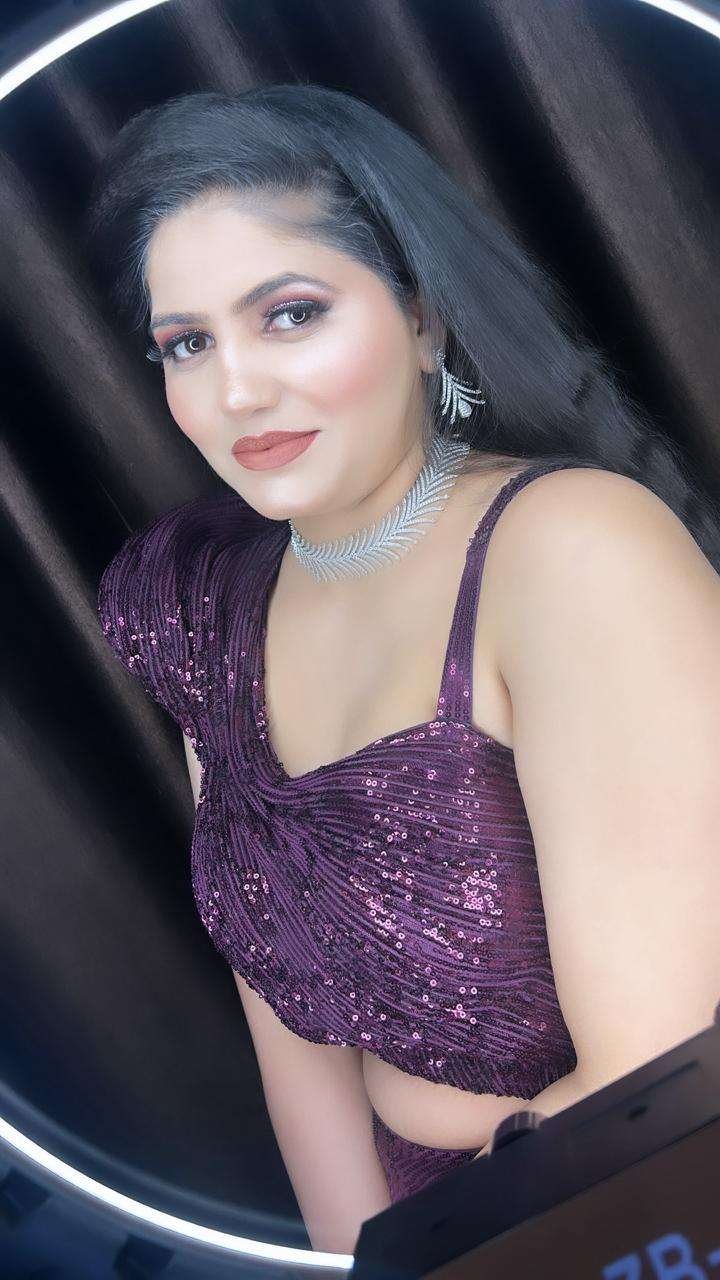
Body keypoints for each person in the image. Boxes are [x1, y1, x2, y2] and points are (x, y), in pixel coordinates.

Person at [85, 85, 720, 1255]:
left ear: (423, 319)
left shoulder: (573, 549)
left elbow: (656, 1079)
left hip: (635, 1211)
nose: (235, 391)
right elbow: (297, 1045)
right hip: (412, 1222)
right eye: (188, 343)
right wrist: (361, 1258)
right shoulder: (204, 603)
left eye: (289, 314)